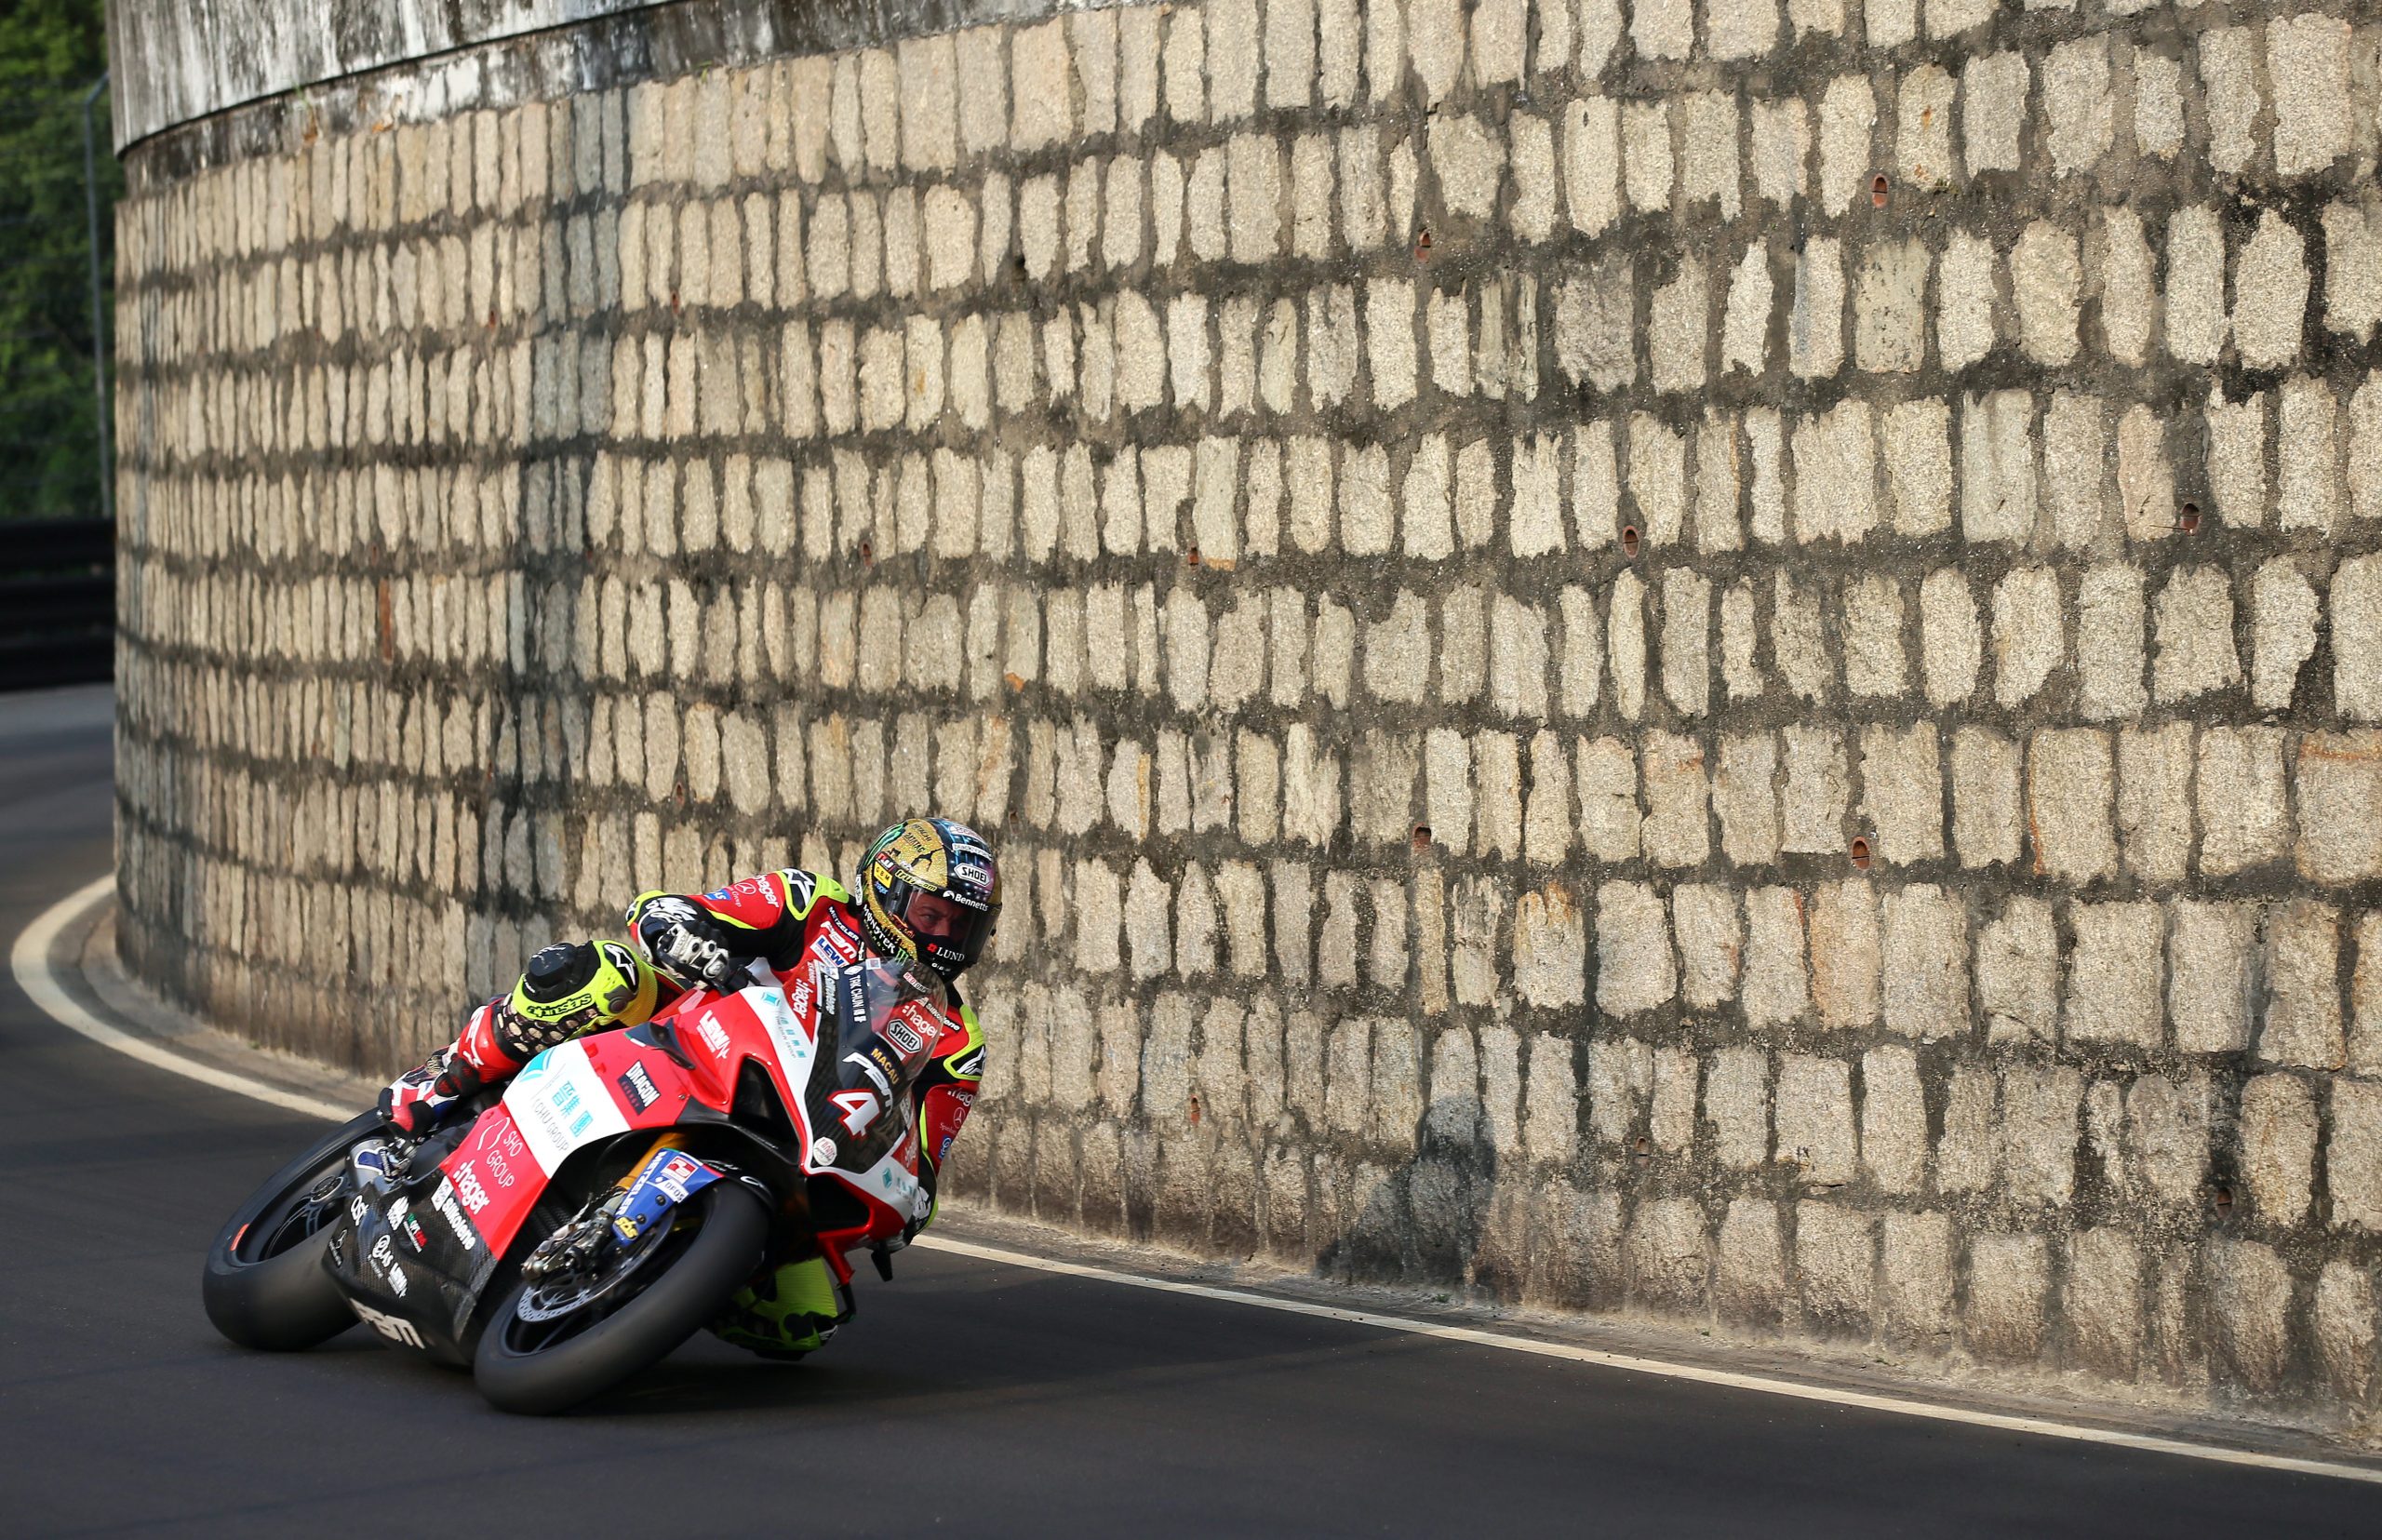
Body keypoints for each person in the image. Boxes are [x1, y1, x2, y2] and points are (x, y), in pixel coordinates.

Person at [376, 816, 998, 1359]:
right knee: (603, 976)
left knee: (805, 1322)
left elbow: (926, 1168)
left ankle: (655, 1282)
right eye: (931, 914)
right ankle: (440, 1081)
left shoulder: (956, 1040)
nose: (944, 937)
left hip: (796, 1140)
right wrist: (691, 938)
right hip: (691, 1042)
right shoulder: (810, 904)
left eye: (962, 926)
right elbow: (676, 909)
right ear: (885, 890)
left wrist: (905, 1201)